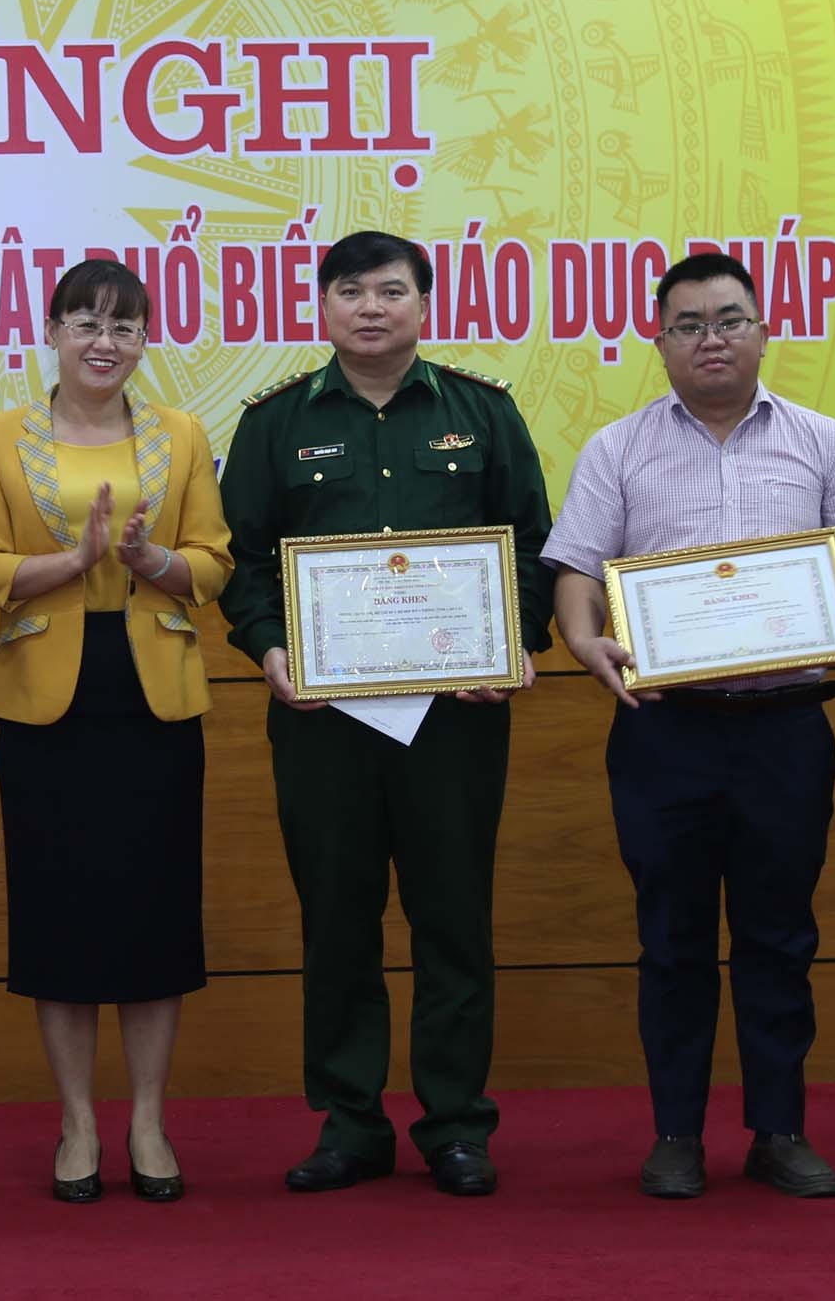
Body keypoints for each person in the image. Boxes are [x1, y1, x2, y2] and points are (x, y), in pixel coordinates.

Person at [544, 252, 835, 1201]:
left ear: (764, 331)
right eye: (689, 324)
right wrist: (582, 641)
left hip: (786, 728)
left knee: (782, 935)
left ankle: (780, 1129)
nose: (712, 338)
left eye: (730, 319)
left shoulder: (824, 440)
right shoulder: (617, 448)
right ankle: (676, 1134)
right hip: (666, 731)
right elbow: (577, 571)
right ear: (659, 340)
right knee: (673, 939)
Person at [217, 229, 553, 1199]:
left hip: (455, 716)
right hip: (323, 719)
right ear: (322, 305)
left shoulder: (482, 412)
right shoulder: (276, 422)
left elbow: (534, 545)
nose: (371, 307)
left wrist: (512, 643)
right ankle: (350, 1123)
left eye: (391, 290)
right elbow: (241, 561)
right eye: (351, 290)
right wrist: (269, 648)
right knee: (336, 921)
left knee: (453, 919)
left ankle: (456, 1126)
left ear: (424, 304)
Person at [0, 259, 235, 1204]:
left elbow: (214, 564)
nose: (104, 342)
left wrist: (152, 559)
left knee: (155, 915)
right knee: (60, 917)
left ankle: (148, 1120)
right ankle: (77, 1122)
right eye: (85, 322)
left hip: (154, 698)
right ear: (53, 332)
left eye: (124, 325)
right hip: (46, 704)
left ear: (145, 339)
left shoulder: (182, 433)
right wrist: (71, 559)